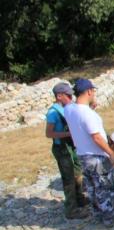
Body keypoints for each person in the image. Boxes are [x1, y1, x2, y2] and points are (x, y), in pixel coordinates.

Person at [63, 78, 114, 225]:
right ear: (89, 91)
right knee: (104, 187)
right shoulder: (88, 114)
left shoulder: (69, 110)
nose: (94, 94)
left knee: (92, 187)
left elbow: (79, 118)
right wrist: (111, 153)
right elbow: (96, 137)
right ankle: (109, 218)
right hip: (96, 156)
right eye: (93, 91)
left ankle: (98, 215)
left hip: (82, 155)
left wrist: (90, 108)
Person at [45, 82, 88, 219]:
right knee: (68, 177)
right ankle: (71, 210)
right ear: (59, 96)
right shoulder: (53, 112)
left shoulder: (67, 108)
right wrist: (69, 134)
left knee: (78, 173)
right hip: (62, 148)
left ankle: (80, 199)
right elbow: (49, 133)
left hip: (71, 146)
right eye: (67, 95)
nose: (71, 98)